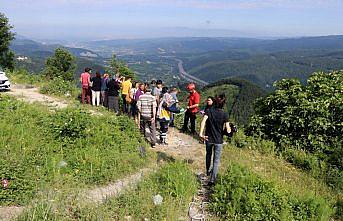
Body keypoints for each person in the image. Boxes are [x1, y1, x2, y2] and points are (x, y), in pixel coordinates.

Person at [199, 94, 231, 186]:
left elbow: (203, 122)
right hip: (218, 140)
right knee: (216, 161)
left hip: (209, 138)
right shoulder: (224, 114)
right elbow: (228, 129)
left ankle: (208, 172)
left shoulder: (209, 111)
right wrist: (230, 130)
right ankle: (212, 180)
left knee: (208, 155)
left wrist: (201, 134)